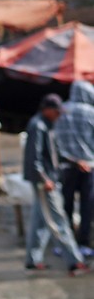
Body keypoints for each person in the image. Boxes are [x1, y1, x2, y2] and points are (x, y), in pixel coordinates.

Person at [24, 93, 88, 274]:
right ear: (47, 110)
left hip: (50, 178)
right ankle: (75, 262)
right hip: (45, 182)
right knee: (58, 220)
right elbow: (33, 158)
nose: (59, 115)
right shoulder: (38, 126)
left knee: (40, 222)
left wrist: (76, 162)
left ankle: (32, 260)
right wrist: (45, 180)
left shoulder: (48, 125)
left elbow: (56, 154)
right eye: (57, 112)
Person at [55, 80, 94, 255]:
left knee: (66, 205)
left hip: (66, 166)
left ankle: (66, 243)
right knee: (87, 206)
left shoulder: (61, 111)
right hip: (89, 166)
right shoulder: (90, 113)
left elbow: (54, 140)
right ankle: (84, 243)